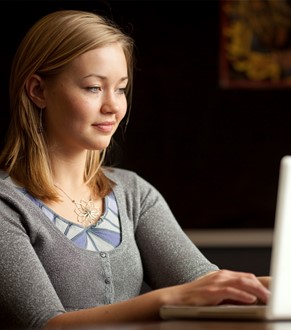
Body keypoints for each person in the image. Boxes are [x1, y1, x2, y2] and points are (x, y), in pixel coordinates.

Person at [0, 9, 270, 329]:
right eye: (93, 87)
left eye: (121, 88)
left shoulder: (132, 192)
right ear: (38, 91)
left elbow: (203, 282)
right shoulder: (8, 205)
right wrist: (169, 298)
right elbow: (46, 324)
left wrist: (274, 287)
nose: (114, 106)